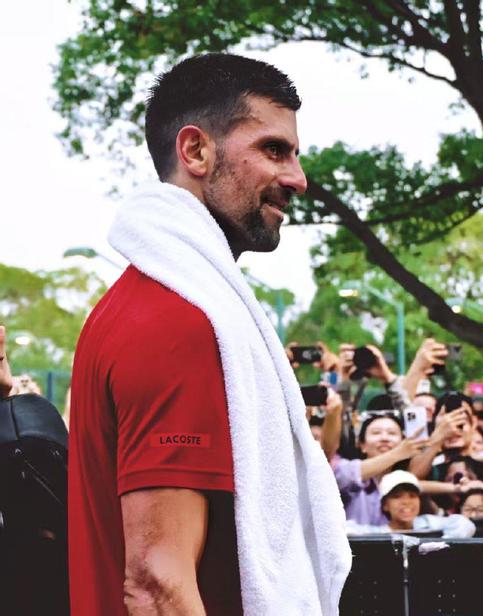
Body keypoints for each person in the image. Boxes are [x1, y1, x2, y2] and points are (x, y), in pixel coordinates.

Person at [68, 53, 351, 616]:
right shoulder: (175, 322)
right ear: (196, 151)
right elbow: (156, 585)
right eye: (274, 150)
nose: (298, 179)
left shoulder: (152, 306)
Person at [333, 413, 427, 525]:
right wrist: (397, 453)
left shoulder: (404, 478)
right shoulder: (344, 469)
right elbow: (344, 476)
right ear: (362, 445)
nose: (384, 438)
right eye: (376, 433)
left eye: (392, 433)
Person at [345, 470, 475, 537]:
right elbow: (347, 530)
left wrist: (441, 545)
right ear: (385, 505)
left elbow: (464, 524)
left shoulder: (428, 523)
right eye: (397, 497)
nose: (406, 502)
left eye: (412, 496)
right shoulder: (378, 533)